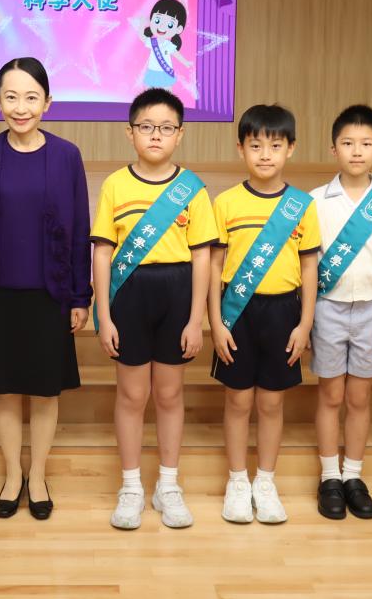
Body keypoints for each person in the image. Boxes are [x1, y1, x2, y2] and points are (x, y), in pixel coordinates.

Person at [0, 57, 92, 520]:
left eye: (31, 97)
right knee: (3, 390)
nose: (21, 107)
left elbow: (80, 229)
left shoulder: (66, 156)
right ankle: (12, 475)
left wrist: (80, 296)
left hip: (50, 294)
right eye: (11, 97)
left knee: (44, 391)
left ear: (48, 102)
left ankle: (37, 475)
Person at [92, 87, 218, 530]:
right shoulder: (115, 185)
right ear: (130, 133)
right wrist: (104, 314)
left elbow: (202, 257)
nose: (156, 135)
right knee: (131, 395)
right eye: (146, 127)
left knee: (169, 394)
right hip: (129, 295)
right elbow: (103, 252)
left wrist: (196, 319)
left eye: (166, 128)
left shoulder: (192, 189)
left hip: (177, 294)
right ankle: (130, 486)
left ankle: (168, 484)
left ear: (180, 134)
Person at [209, 105, 319, 525]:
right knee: (238, 401)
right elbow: (215, 266)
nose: (265, 155)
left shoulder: (302, 206)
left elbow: (309, 267)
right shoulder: (225, 203)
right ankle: (238, 481)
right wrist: (216, 322)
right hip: (236, 312)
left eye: (275, 146)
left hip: (284, 312)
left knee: (272, 403)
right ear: (241, 149)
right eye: (256, 146)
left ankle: (266, 482)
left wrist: (305, 323)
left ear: (291, 149)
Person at [309, 105, 372, 520]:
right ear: (333, 149)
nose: (356, 151)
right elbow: (308, 265)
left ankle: (353, 475)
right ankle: (329, 476)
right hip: (327, 309)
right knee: (331, 395)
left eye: (366, 144)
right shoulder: (315, 201)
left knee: (359, 397)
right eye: (347, 143)